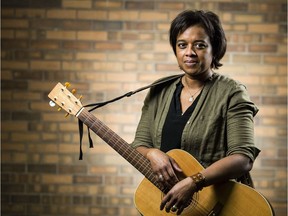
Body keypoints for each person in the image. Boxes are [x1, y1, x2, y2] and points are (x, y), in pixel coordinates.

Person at [131, 10, 260, 215]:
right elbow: (140, 144)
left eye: (199, 45)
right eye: (182, 45)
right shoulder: (159, 90)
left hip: (218, 206)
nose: (189, 52)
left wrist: (194, 182)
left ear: (214, 50)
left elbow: (243, 158)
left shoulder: (232, 92)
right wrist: (153, 153)